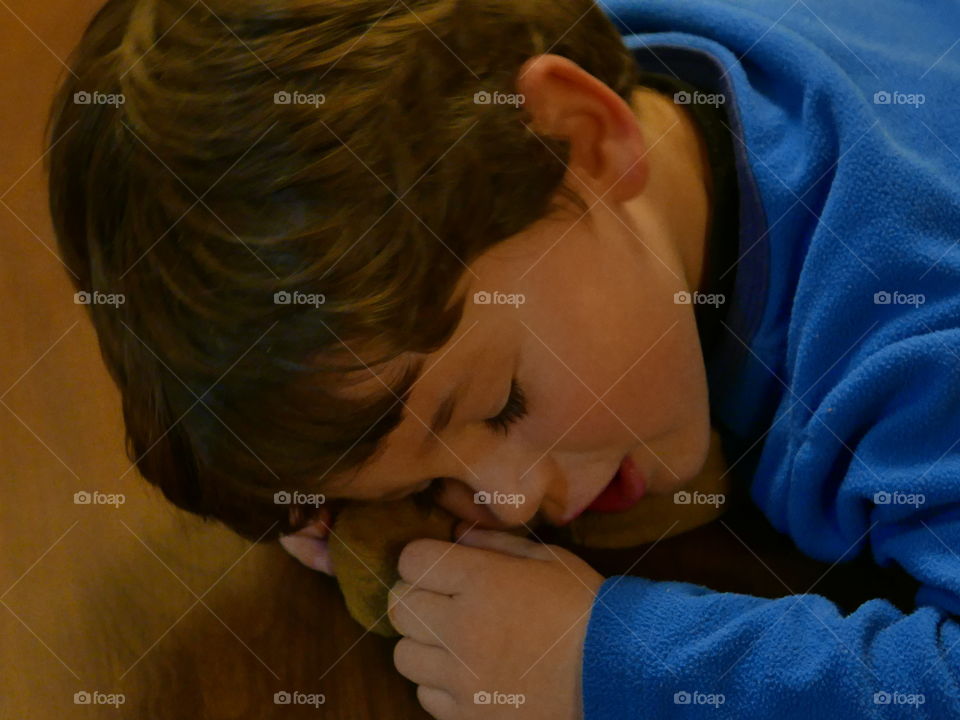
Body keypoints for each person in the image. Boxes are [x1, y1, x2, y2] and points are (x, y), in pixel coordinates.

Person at [47, 0, 960, 717]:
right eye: (423, 485)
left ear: (583, 137)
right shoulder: (572, 76)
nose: (511, 503)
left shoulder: (901, 331)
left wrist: (605, 665)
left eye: (500, 405)